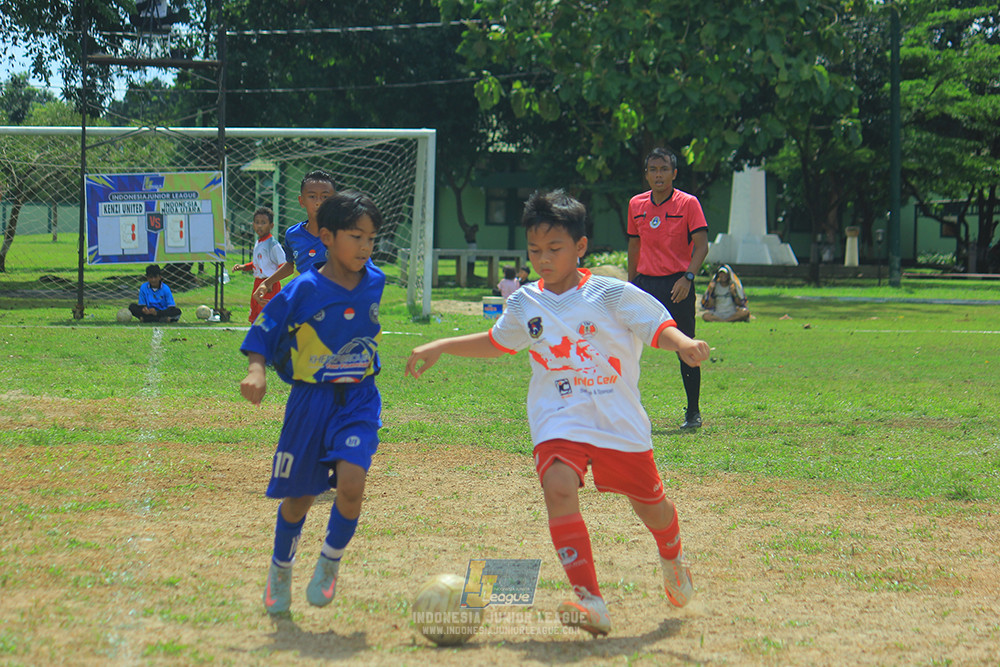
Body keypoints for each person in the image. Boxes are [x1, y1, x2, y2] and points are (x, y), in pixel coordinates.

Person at [406, 190, 710, 637]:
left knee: (653, 510)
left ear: (580, 246)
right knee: (558, 486)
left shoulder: (612, 293)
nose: (543, 259)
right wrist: (442, 345)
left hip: (617, 421)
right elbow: (498, 341)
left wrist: (683, 343)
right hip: (559, 417)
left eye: (554, 249)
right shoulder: (525, 302)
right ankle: (591, 600)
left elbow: (658, 326)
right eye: (534, 250)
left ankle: (672, 555)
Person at [239, 191, 386, 615]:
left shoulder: (375, 280)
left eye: (371, 239)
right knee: (300, 499)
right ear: (327, 237)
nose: (365, 247)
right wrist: (256, 370)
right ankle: (281, 568)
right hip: (310, 401)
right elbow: (264, 329)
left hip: (359, 397)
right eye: (356, 237)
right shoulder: (304, 289)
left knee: (352, 485)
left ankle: (329, 563)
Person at [627, 147, 709, 430]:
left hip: (677, 285)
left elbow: (702, 246)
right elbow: (634, 245)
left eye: (664, 169)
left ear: (674, 173)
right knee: (623, 340)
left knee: (685, 347)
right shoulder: (636, 204)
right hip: (644, 285)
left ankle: (693, 412)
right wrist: (631, 284)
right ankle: (619, 408)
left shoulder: (688, 203)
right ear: (646, 175)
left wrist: (688, 278)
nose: (658, 175)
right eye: (653, 170)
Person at [251, 170, 337, 304]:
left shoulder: (342, 233)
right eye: (312, 196)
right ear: (301, 201)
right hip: (302, 301)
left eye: (325, 197)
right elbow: (291, 264)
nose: (318, 202)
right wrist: (266, 283)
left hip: (332, 302)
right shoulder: (293, 234)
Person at [232, 207, 286, 323]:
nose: (259, 226)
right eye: (257, 222)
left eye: (263, 223)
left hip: (270, 285)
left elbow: (283, 265)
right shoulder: (258, 242)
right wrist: (244, 267)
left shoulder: (273, 244)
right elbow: (260, 263)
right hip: (258, 283)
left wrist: (270, 282)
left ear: (271, 225)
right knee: (255, 317)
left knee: (267, 318)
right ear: (253, 225)